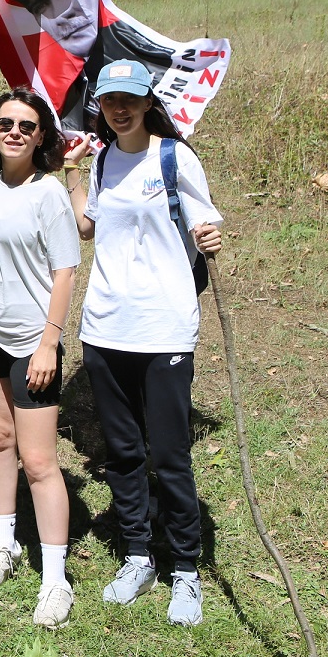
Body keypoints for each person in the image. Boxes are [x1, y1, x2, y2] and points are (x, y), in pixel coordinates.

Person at [62, 59, 224, 627]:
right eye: (110, 100)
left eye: (130, 99)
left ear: (148, 101)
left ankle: (185, 567)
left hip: (165, 326)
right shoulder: (105, 159)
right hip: (105, 326)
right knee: (124, 453)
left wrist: (211, 237)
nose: (120, 108)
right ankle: (137, 555)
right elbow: (88, 227)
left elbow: (208, 228)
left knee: (171, 455)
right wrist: (73, 173)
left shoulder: (175, 158)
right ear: (100, 106)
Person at [0, 87, 81, 628]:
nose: (14, 132)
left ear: (42, 137)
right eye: (6, 123)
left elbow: (65, 271)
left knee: (38, 461)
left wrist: (49, 341)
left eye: (27, 126)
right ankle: (6, 545)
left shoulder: (48, 194)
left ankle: (56, 579)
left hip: (33, 339)